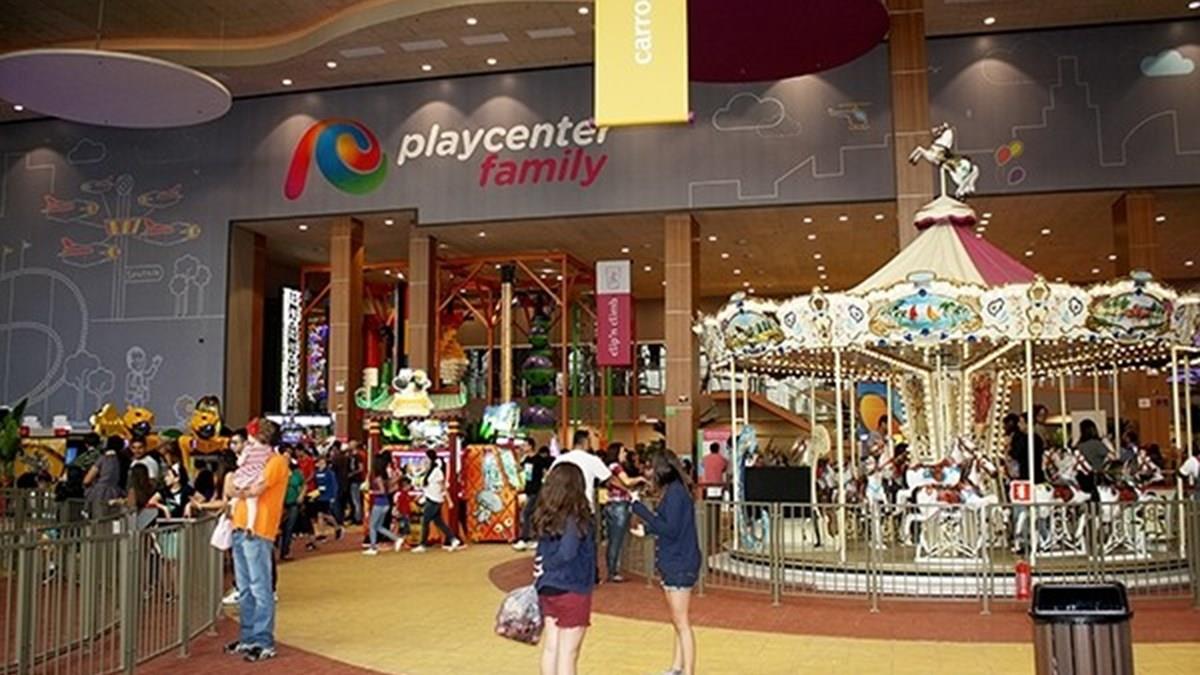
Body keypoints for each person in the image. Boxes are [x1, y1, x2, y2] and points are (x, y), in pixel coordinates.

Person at [631, 452, 702, 675]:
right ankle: (677, 666)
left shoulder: (675, 493)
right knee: (678, 620)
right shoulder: (676, 491)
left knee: (681, 622)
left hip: (679, 562)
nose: (649, 472)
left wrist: (641, 511)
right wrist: (647, 528)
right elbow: (669, 526)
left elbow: (669, 528)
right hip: (676, 560)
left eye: (652, 468)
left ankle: (687, 670)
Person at [225, 417, 288, 662]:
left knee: (260, 588)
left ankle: (263, 640)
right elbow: (232, 487)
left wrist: (237, 486)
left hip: (259, 530)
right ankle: (248, 637)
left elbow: (253, 489)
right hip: (240, 527)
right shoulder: (260, 460)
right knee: (245, 588)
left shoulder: (276, 461)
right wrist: (238, 486)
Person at [532, 463, 597, 675]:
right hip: (572, 587)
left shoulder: (546, 515)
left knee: (552, 647)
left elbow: (543, 551)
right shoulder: (576, 518)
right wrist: (551, 564)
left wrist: (545, 567)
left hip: (548, 587)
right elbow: (568, 552)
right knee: (569, 653)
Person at [602, 443, 645, 582]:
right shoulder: (616, 467)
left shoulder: (609, 467)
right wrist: (640, 479)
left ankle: (613, 569)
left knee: (613, 539)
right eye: (623, 451)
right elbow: (627, 481)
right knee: (617, 540)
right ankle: (613, 571)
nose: (625, 454)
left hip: (611, 505)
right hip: (620, 505)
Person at [413, 449, 463, 553]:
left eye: (426, 458)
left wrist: (449, 500)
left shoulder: (437, 471)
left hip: (434, 500)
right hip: (430, 498)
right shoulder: (428, 471)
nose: (424, 460)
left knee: (425, 521)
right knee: (439, 522)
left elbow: (443, 487)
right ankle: (453, 539)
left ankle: (422, 544)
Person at [230, 432, 273, 537]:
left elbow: (240, 463)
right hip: (257, 477)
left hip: (244, 477)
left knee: (236, 498)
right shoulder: (267, 449)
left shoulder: (248, 449)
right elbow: (269, 460)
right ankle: (250, 526)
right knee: (252, 502)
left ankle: (231, 514)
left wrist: (238, 456)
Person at [513, 442, 553, 551]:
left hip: (536, 490)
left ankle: (525, 538)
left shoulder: (539, 459)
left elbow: (547, 471)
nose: (523, 447)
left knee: (526, 513)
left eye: (525, 445)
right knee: (531, 514)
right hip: (529, 490)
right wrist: (519, 457)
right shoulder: (526, 459)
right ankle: (532, 538)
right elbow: (518, 469)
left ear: (531, 446)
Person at [365, 453, 404, 555]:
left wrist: (372, 492)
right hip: (385, 503)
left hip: (379, 503)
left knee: (372, 526)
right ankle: (396, 539)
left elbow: (382, 491)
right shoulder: (384, 477)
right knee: (378, 526)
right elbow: (389, 487)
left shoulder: (378, 477)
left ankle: (373, 547)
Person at [83, 436, 125, 518]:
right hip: (116, 493)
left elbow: (87, 480)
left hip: (99, 493)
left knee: (98, 518)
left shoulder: (102, 459)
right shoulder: (122, 460)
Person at [278, 451, 305, 561]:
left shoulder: (296, 473)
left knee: (289, 528)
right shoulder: (277, 472)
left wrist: (301, 495)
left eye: (288, 458)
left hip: (293, 502)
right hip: (280, 504)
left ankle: (285, 551)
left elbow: (303, 484)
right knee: (277, 528)